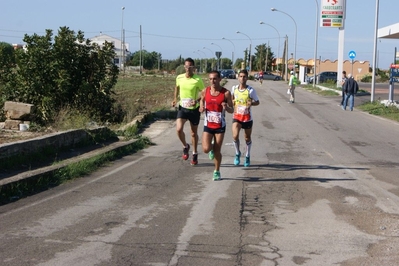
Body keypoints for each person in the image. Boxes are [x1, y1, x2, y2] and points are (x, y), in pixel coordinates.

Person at [199, 70, 234, 181]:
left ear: (220, 79)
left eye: (215, 79)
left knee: (217, 151)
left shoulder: (226, 93)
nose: (212, 81)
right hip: (208, 124)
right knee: (205, 149)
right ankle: (211, 148)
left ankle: (217, 171)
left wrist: (226, 107)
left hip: (220, 126)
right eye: (210, 79)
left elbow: (232, 109)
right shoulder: (205, 91)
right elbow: (202, 100)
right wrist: (201, 108)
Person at [172, 58, 205, 165]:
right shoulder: (179, 77)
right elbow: (176, 88)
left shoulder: (197, 80)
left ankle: (195, 154)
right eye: (186, 66)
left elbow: (203, 93)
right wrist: (175, 99)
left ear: (193, 68)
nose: (188, 69)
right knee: (178, 129)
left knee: (193, 133)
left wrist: (197, 101)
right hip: (183, 108)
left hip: (194, 109)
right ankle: (185, 146)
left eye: (190, 67)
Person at [231, 69, 260, 167]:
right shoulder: (234, 88)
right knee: (235, 136)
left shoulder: (250, 90)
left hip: (247, 118)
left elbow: (257, 102)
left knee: (247, 138)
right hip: (237, 117)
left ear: (247, 78)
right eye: (241, 76)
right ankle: (237, 153)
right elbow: (231, 100)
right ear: (238, 77)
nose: (242, 78)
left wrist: (251, 103)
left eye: (244, 76)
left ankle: (247, 156)